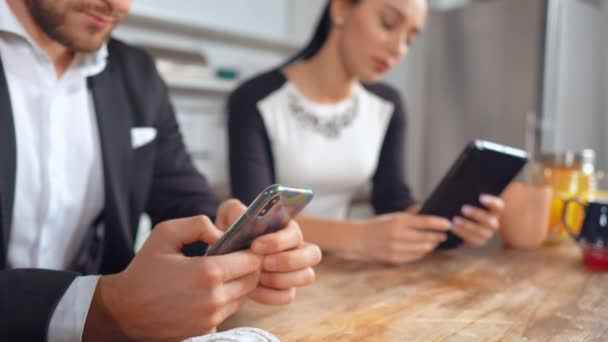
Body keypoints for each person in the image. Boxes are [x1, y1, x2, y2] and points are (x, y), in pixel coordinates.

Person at [0, 0, 321, 340]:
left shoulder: (136, 72)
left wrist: (230, 239)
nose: (121, 5)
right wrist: (101, 305)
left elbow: (181, 193)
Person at [228, 0, 504, 265]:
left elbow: (392, 200)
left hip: (347, 274)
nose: (399, 49)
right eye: (388, 23)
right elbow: (254, 222)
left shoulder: (387, 105)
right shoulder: (255, 99)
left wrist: (450, 223)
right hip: (275, 272)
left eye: (410, 39)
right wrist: (361, 237)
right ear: (341, 8)